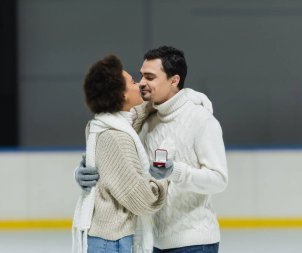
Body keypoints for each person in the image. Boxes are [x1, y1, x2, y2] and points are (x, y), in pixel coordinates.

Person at [77, 46, 228, 252]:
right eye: (140, 77)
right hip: (152, 243)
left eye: (150, 77)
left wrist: (174, 171)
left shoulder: (201, 120)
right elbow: (109, 139)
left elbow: (219, 180)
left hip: (193, 243)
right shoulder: (143, 118)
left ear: (174, 80)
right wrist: (84, 171)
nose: (141, 84)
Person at [72, 54, 167, 253]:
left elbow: (134, 115)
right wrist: (162, 177)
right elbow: (143, 200)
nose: (139, 84)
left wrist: (178, 96)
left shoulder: (101, 124)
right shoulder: (116, 137)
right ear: (122, 96)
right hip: (111, 242)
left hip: (104, 238)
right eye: (133, 82)